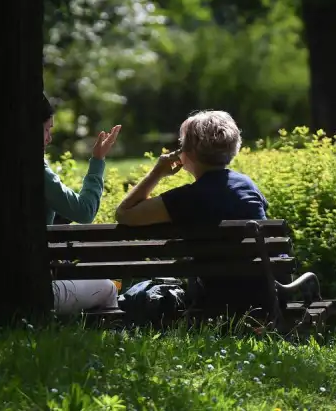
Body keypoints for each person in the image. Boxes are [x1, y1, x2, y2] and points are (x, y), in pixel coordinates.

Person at [113, 109, 269, 316]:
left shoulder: (185, 198)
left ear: (188, 153)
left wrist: (157, 172)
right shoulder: (247, 185)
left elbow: (124, 213)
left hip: (216, 300)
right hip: (265, 296)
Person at [42, 93, 122, 314]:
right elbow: (85, 211)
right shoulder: (37, 170)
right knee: (107, 287)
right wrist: (98, 161)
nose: (49, 138)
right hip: (33, 292)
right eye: (46, 129)